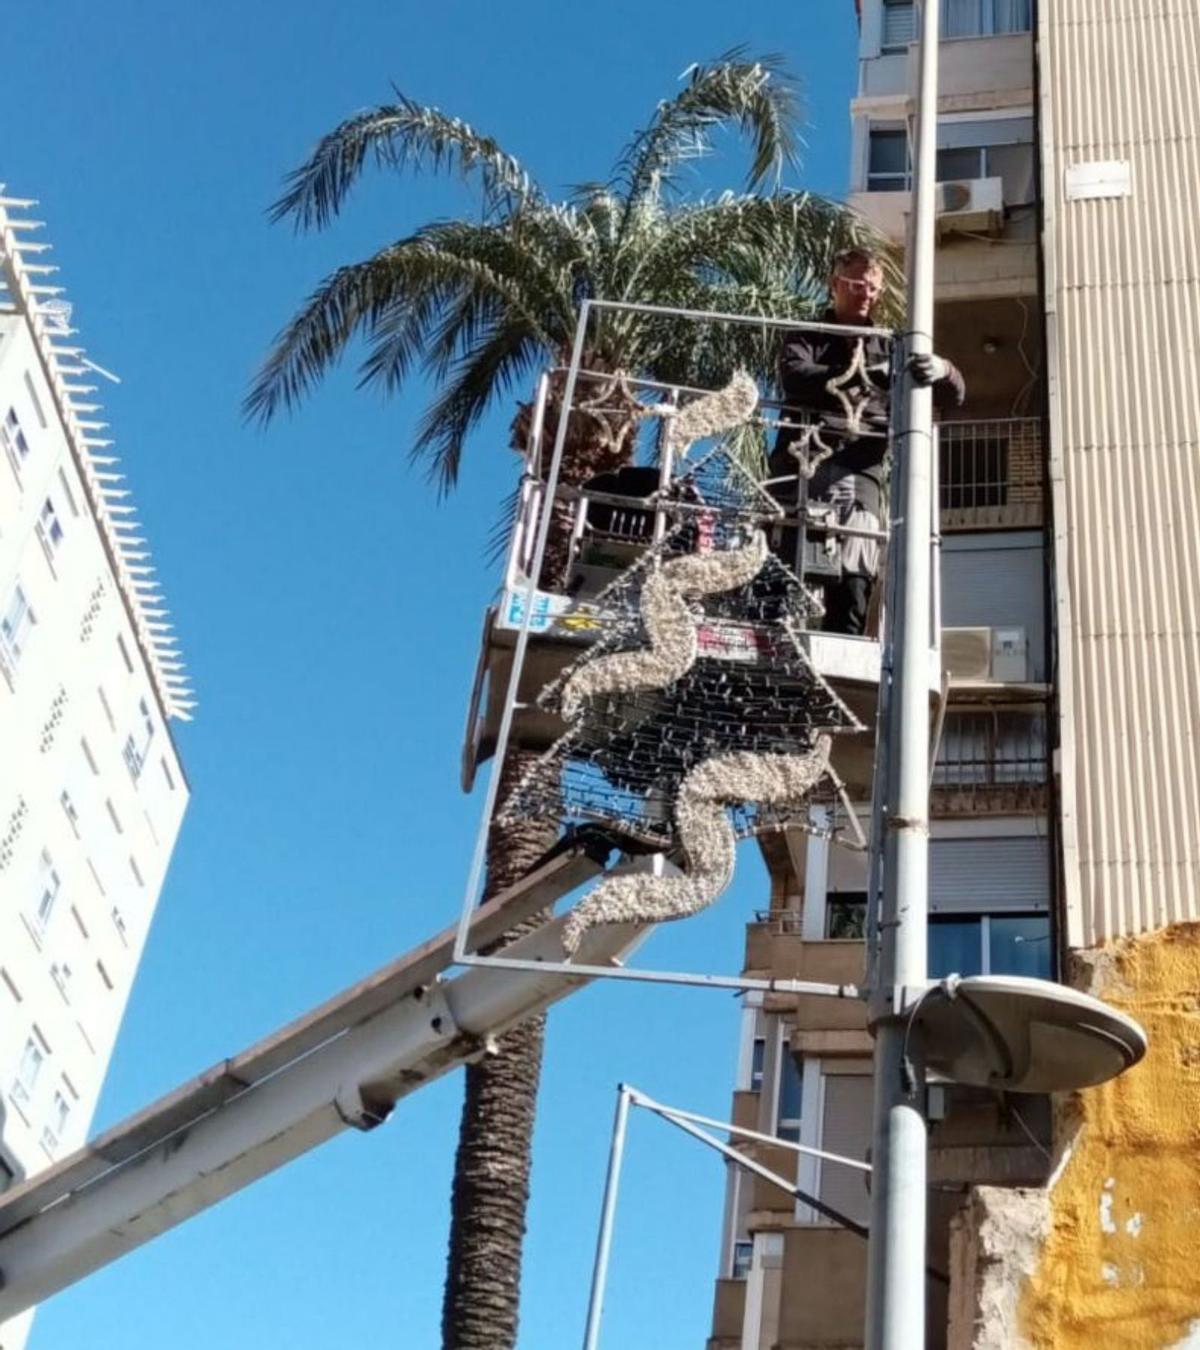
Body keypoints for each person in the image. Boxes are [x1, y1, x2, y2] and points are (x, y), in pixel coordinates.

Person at [768, 247, 965, 635]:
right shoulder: (808, 337)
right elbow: (795, 375)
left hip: (861, 473)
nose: (866, 294)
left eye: (873, 288)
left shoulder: (889, 346)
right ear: (835, 284)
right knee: (791, 556)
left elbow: (953, 393)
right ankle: (778, 637)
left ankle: (845, 635)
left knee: (856, 562)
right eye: (857, 285)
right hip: (804, 465)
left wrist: (942, 369)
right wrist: (859, 375)